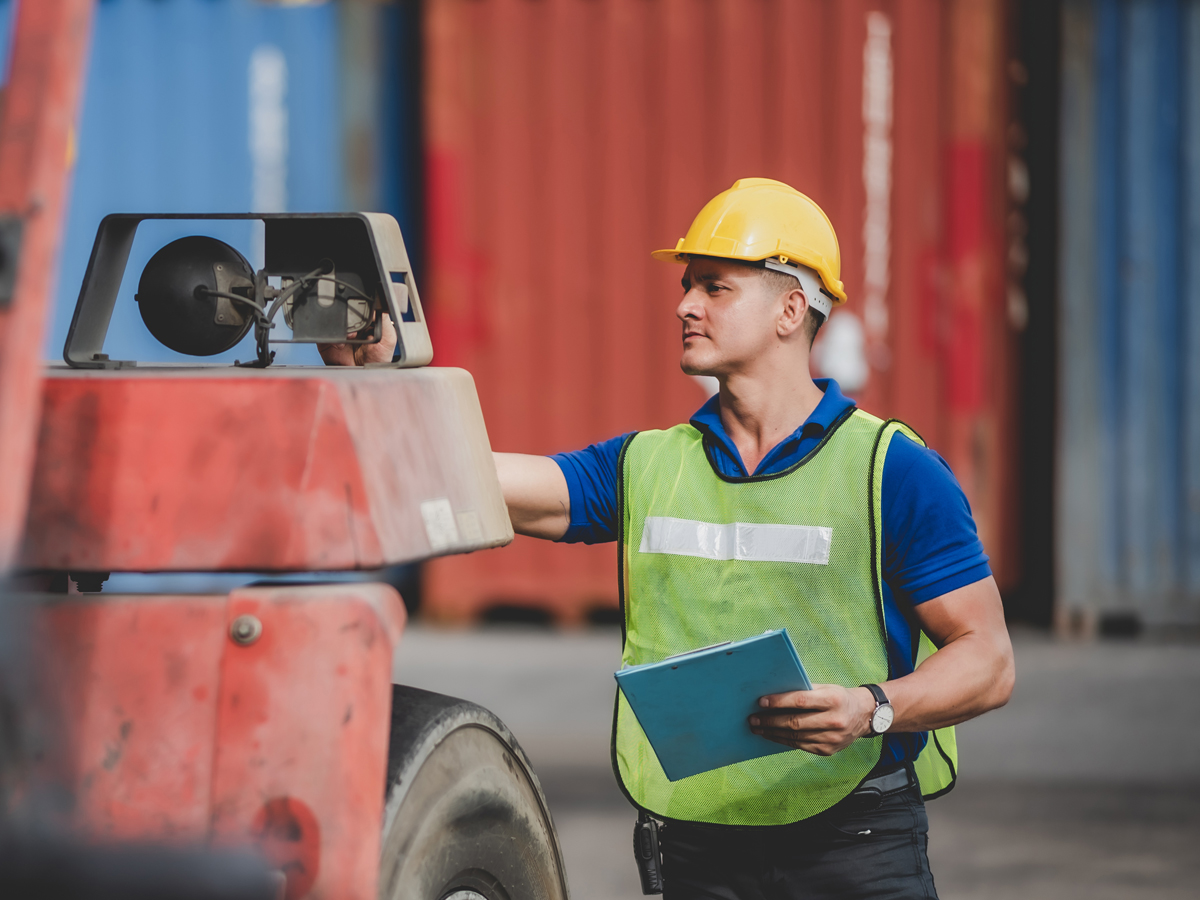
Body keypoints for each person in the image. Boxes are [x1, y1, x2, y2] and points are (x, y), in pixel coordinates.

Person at [334, 177, 1015, 899]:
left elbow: (990, 661)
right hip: (699, 849)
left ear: (790, 309)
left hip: (856, 846)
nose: (686, 305)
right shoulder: (647, 465)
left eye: (716, 287)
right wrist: (379, 384)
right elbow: (473, 476)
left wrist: (871, 708)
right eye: (689, 286)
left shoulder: (892, 470)